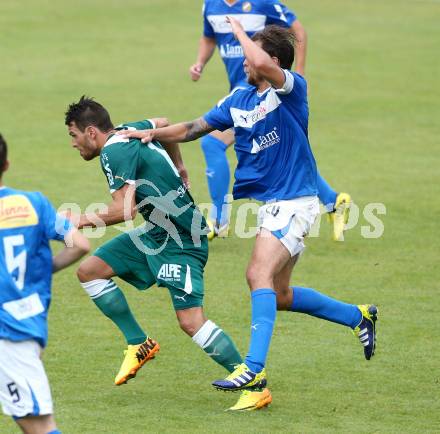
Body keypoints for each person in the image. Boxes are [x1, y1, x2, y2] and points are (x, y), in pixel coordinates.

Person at [121, 20, 378, 407]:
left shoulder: (291, 90)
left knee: (256, 273)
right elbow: (194, 128)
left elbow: (259, 56)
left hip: (296, 202)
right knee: (279, 293)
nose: (243, 59)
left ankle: (253, 367)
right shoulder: (238, 99)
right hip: (274, 205)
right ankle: (359, 316)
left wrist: (241, 31)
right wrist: (153, 135)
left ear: (272, 61)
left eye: (250, 54)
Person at [64, 97, 271, 411]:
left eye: (74, 136)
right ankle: (139, 343)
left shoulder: (113, 152)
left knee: (190, 321)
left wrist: (77, 220)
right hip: (158, 232)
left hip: (182, 239)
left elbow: (125, 209)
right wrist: (180, 165)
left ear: (91, 132)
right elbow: (161, 123)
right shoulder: (127, 130)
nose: (73, 144)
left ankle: (253, 382)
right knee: (90, 270)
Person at [189, 0, 351, 241]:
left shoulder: (263, 3)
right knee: (283, 152)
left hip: (262, 91)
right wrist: (200, 62)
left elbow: (298, 31)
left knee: (212, 143)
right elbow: (208, 37)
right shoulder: (210, 5)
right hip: (244, 92)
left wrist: (298, 74)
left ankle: (219, 220)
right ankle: (333, 201)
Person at [0, 133, 90, 434]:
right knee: (41, 427)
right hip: (15, 329)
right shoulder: (33, 203)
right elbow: (80, 244)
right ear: (6, 165)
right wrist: (39, 272)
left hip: (12, 331)